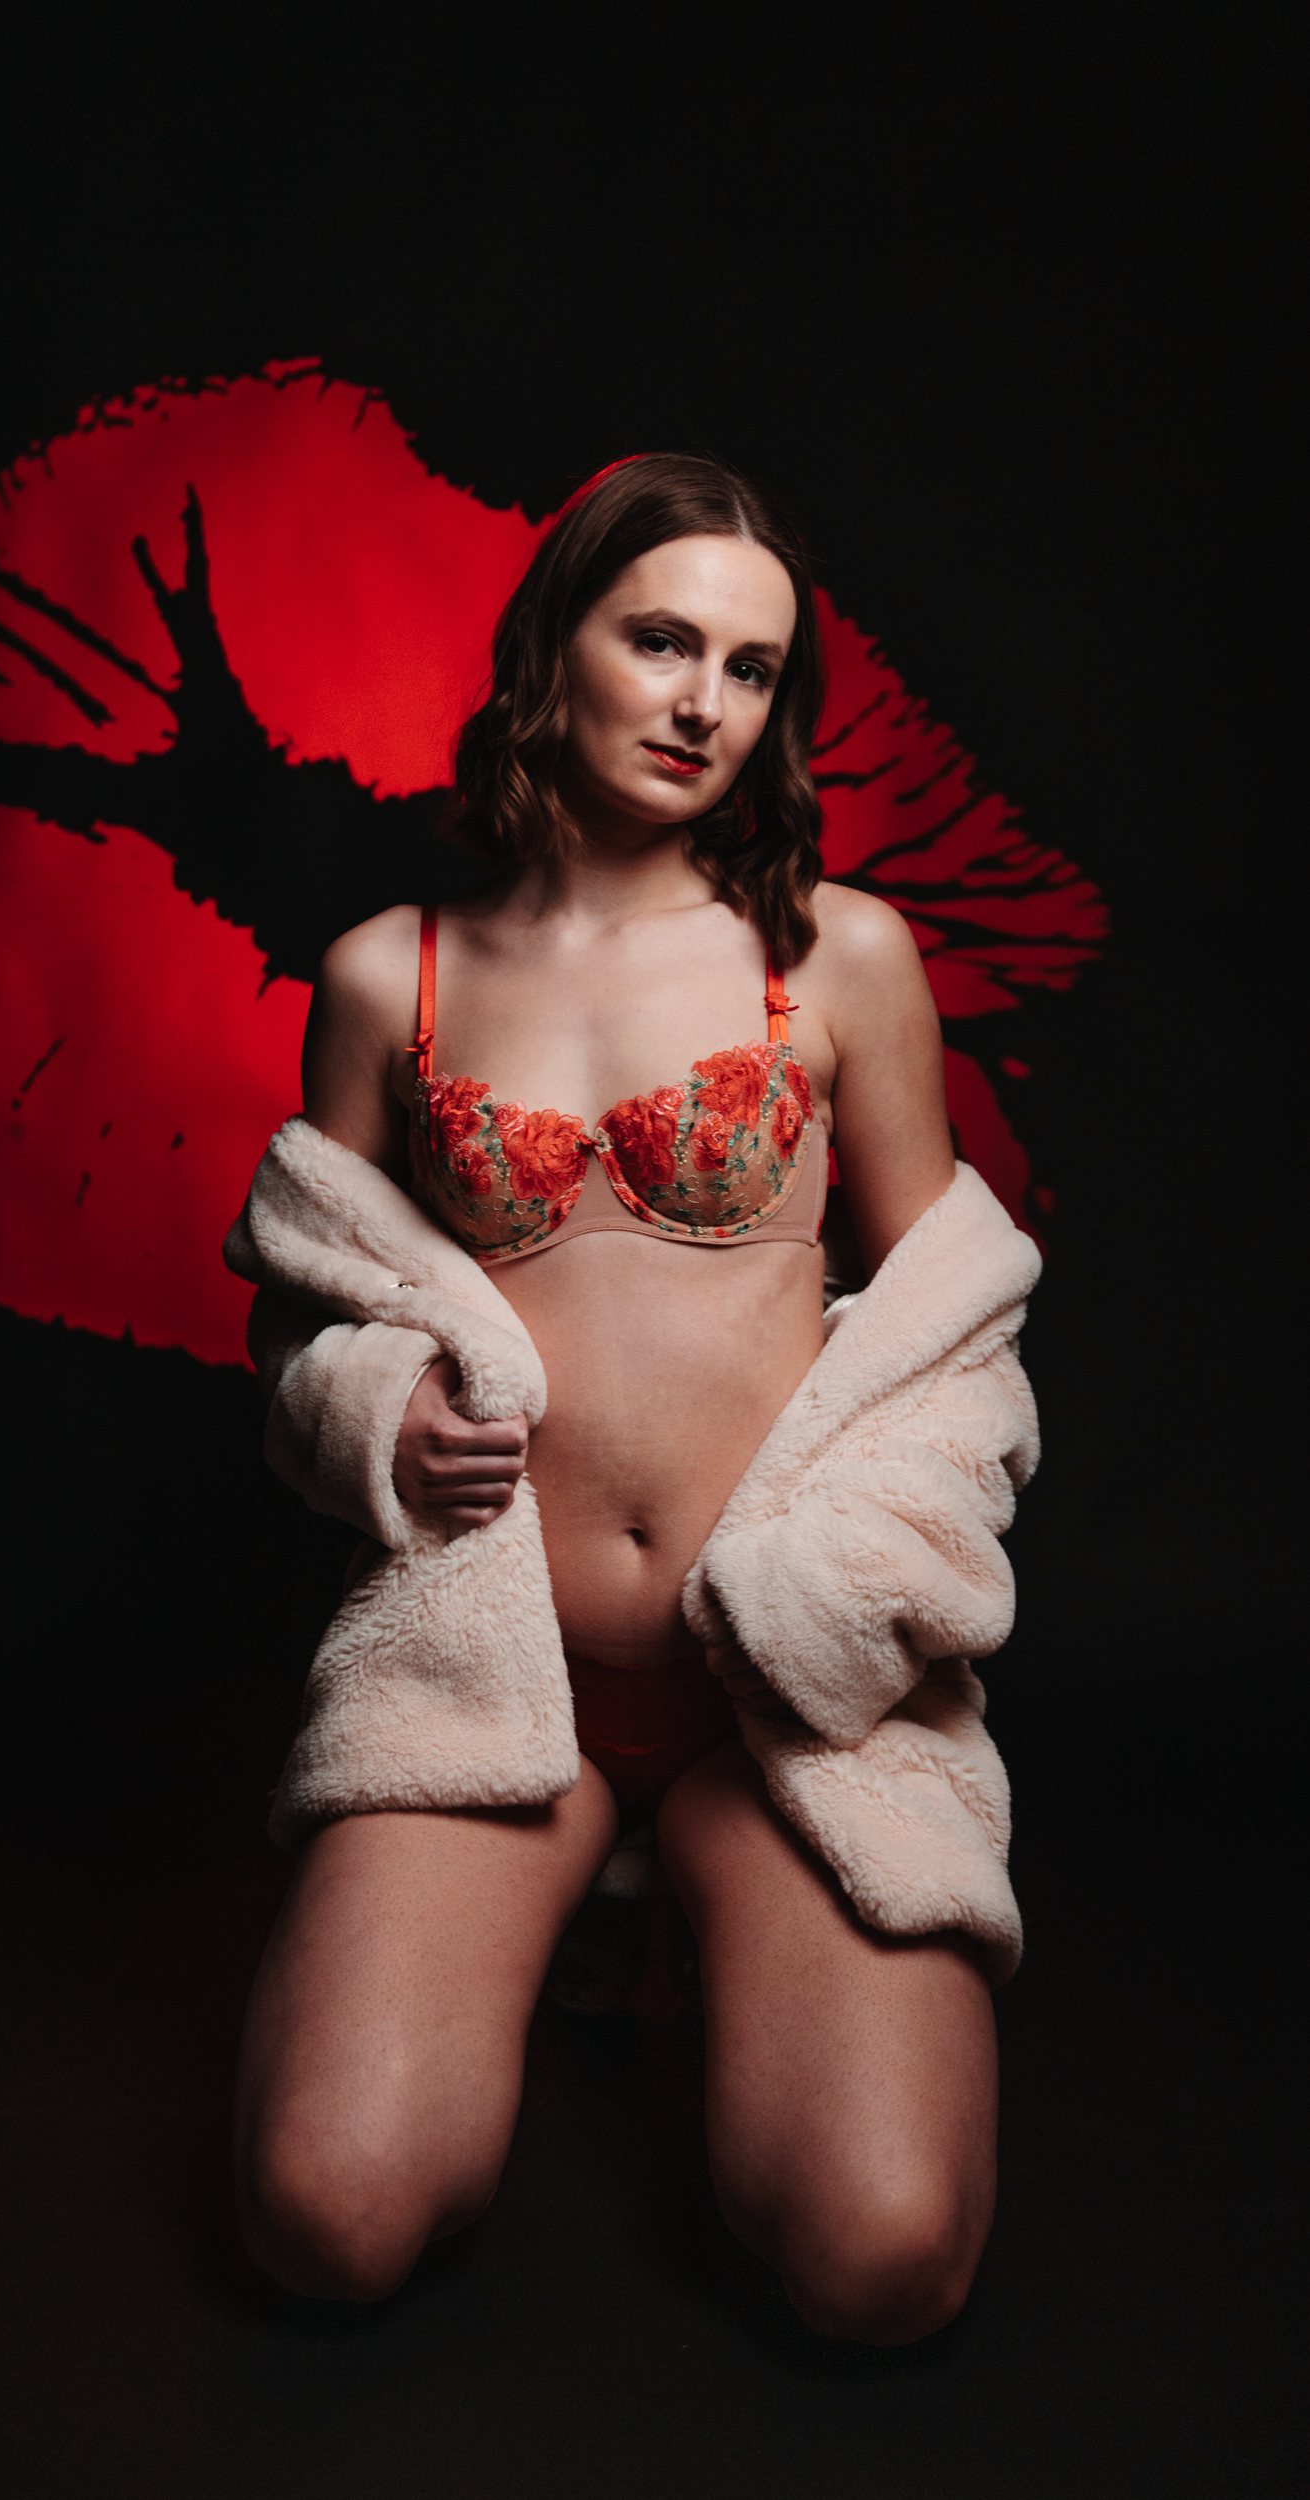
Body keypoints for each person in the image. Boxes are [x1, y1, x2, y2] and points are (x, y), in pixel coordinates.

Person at [231, 455, 1014, 2343]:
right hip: (496, 1684)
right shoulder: (391, 975)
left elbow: (957, 1326)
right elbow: (304, 1313)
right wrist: (377, 1420)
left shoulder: (836, 954)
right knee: (326, 2219)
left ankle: (698, 1916)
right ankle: (595, 1893)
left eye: (751, 670)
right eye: (662, 641)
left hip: (792, 1704)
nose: (703, 705)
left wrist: (854, 1587)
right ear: (551, 649)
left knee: (881, 2263)